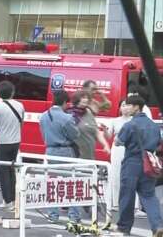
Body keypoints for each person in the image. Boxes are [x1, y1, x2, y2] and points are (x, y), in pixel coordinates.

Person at [115, 95, 163, 236]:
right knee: (149, 196)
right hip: (148, 162)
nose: (126, 108)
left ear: (136, 107)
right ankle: (158, 226)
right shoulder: (153, 125)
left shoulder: (130, 124)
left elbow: (118, 141)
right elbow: (158, 143)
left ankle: (124, 227)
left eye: (129, 105)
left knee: (127, 196)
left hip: (132, 162)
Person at [39, 90, 81, 224]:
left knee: (52, 183)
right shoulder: (67, 118)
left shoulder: (44, 116)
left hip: (50, 151)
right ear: (64, 102)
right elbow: (75, 135)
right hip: (65, 151)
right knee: (71, 183)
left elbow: (43, 133)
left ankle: (53, 214)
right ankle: (74, 215)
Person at [0, 80, 24, 210]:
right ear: (12, 92)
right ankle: (14, 198)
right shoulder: (20, 105)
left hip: (2, 142)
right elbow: (21, 123)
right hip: (15, 141)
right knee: (12, 170)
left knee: (3, 171)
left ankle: (7, 201)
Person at [68, 90, 111, 160]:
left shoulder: (88, 112)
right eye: (83, 97)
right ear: (76, 99)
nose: (86, 99)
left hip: (89, 155)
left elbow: (96, 131)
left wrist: (105, 145)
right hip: (74, 156)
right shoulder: (69, 114)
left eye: (87, 98)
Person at [106, 100, 132, 211]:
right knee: (116, 175)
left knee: (131, 176)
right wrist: (104, 130)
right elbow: (108, 136)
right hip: (117, 150)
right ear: (120, 108)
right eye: (123, 105)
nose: (125, 108)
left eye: (128, 105)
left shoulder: (134, 121)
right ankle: (116, 203)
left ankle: (132, 205)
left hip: (130, 149)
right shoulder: (114, 121)